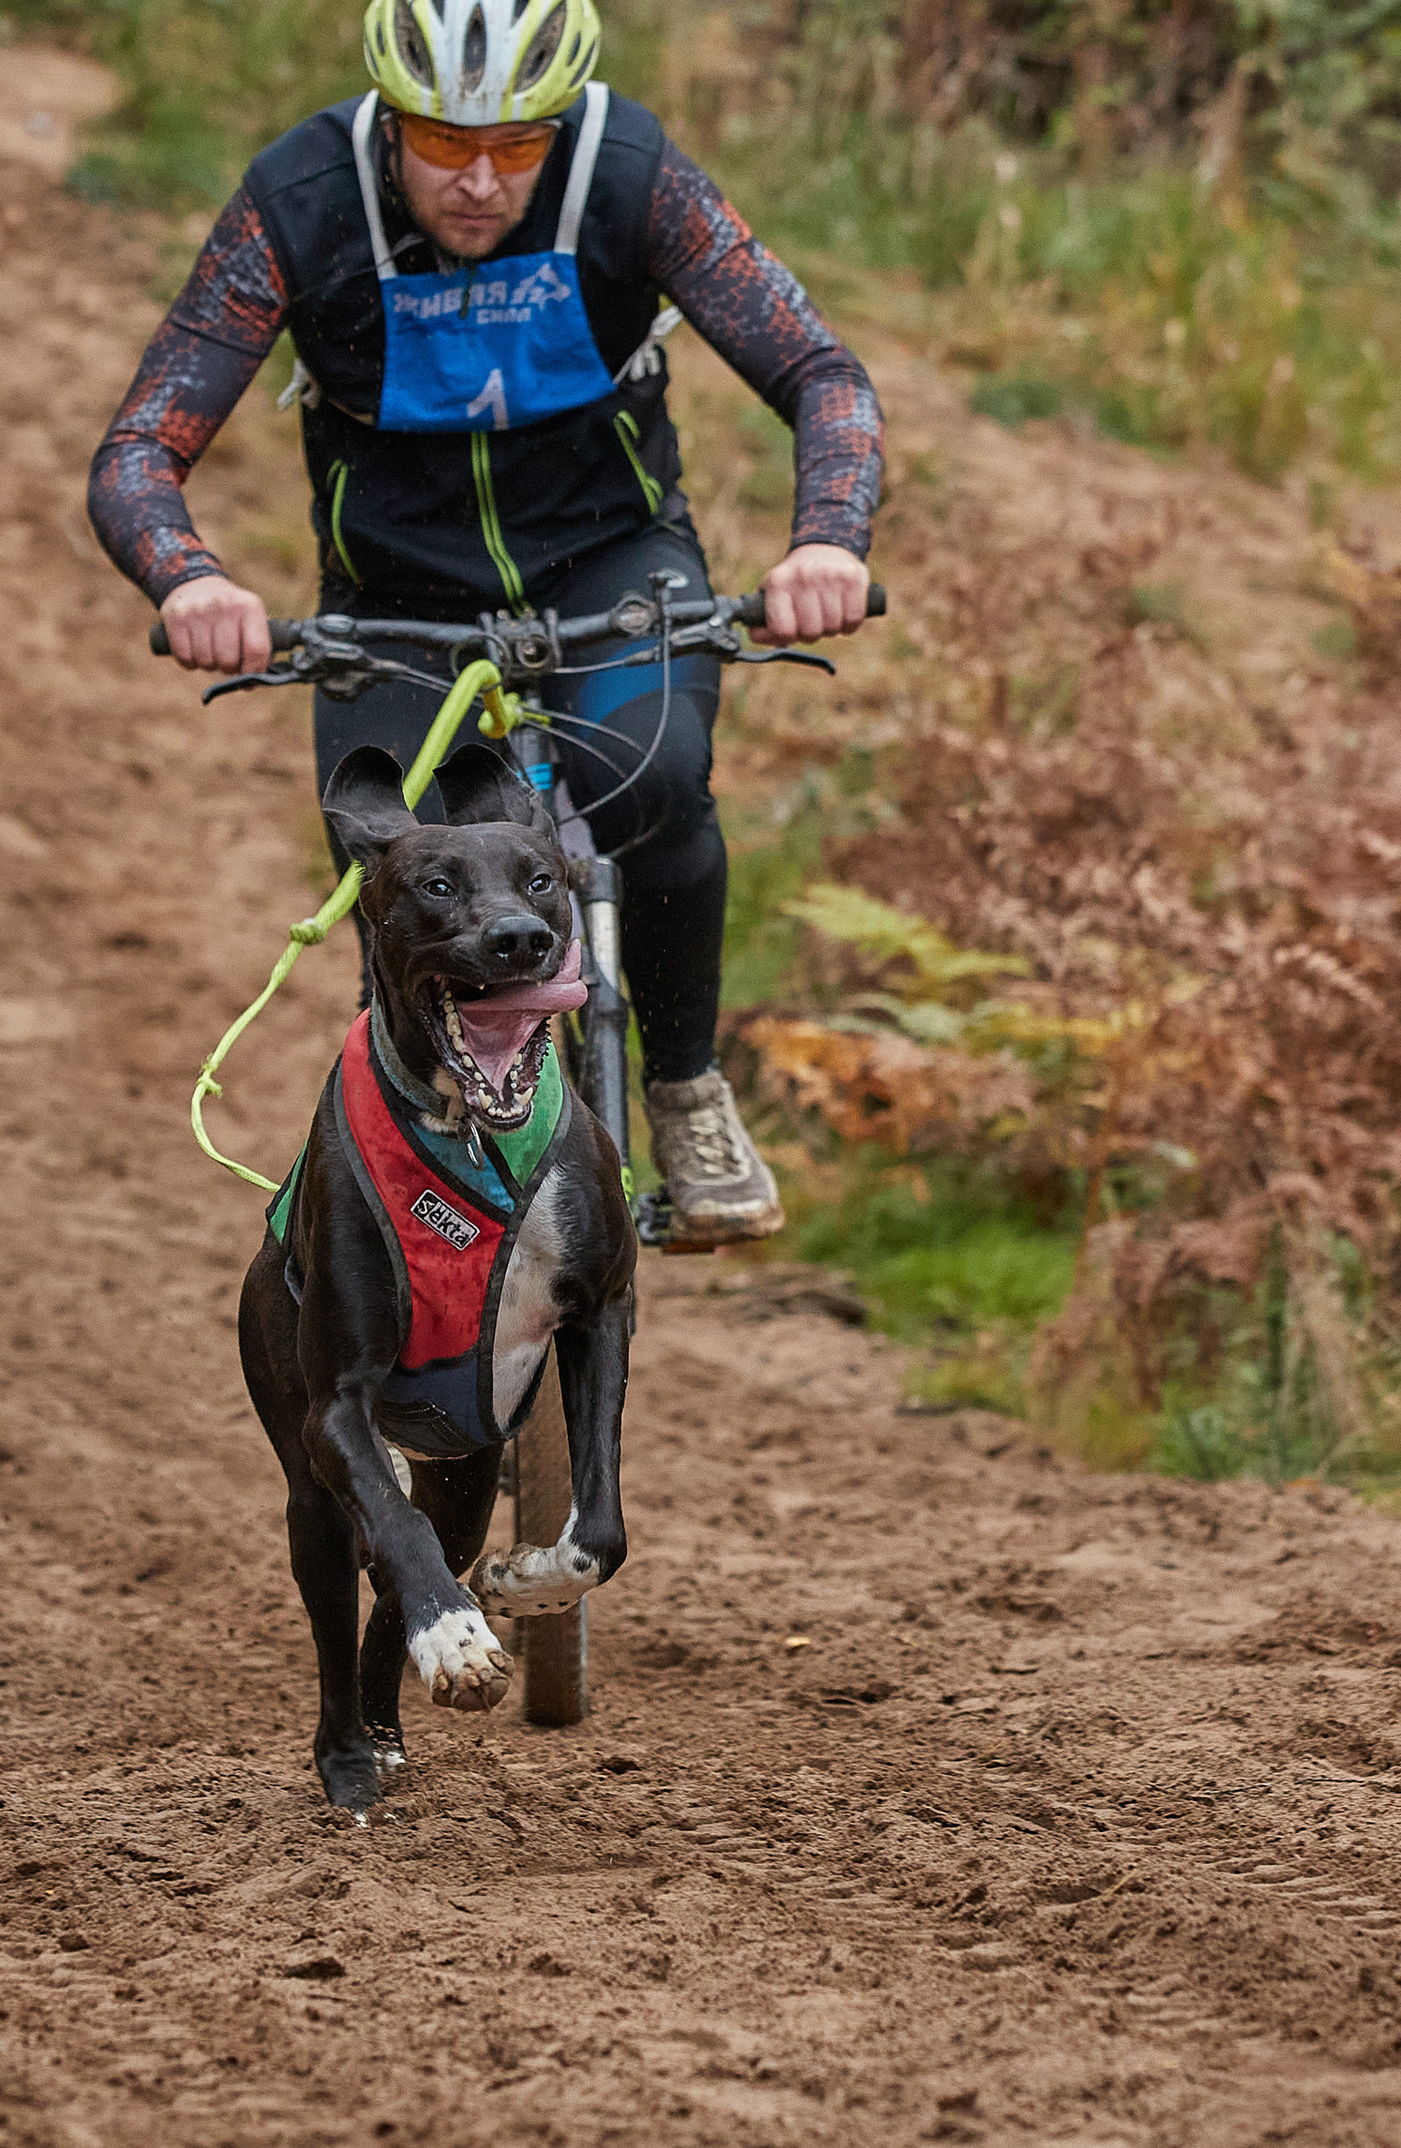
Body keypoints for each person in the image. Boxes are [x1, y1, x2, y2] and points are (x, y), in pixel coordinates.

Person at [87, 0, 883, 1242]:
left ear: (556, 133)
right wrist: (188, 575)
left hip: (607, 564)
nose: (474, 179)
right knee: (413, 874)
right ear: (385, 121)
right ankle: (413, 1207)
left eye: (516, 148)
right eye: (438, 143)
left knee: (657, 782)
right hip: (395, 601)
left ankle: (682, 1085)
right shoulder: (300, 200)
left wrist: (828, 538)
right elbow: (142, 446)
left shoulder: (631, 175)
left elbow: (820, 375)